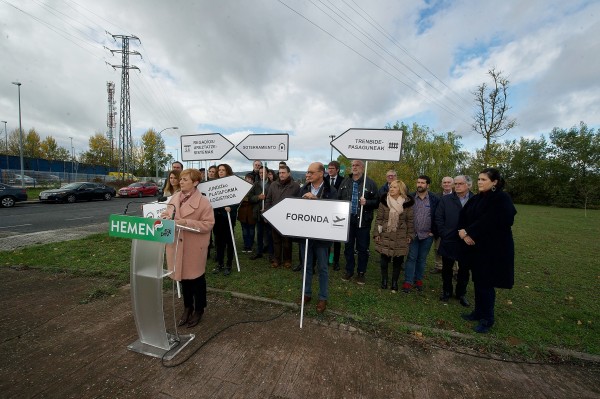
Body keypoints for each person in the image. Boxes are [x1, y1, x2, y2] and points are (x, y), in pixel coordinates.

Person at [458, 168, 516, 334]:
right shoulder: (477, 198)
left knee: (486, 283)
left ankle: (487, 318)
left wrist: (469, 231)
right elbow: (463, 215)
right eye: (478, 179)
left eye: (483, 179)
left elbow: (495, 220)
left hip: (494, 249)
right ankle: (477, 312)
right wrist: (463, 231)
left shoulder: (501, 198)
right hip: (476, 247)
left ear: (494, 182)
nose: (480, 182)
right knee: (478, 281)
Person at [161, 168, 215, 328]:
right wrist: (165, 217)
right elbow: (167, 213)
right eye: (181, 179)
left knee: (197, 280)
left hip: (193, 247)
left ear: (195, 183)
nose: (181, 182)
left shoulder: (204, 202)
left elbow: (208, 225)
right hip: (176, 245)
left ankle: (199, 309)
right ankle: (187, 307)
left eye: (185, 179)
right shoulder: (174, 197)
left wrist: (185, 222)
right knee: (183, 279)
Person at [297, 162, 337, 313]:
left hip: (322, 236)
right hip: (305, 235)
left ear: (321, 173)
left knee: (323, 268)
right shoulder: (303, 188)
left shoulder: (330, 191)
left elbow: (334, 210)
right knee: (306, 266)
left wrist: (316, 201)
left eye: (311, 172)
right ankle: (306, 294)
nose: (308, 175)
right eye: (307, 172)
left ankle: (322, 297)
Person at [337, 160, 379, 285]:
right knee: (348, 247)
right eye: (353, 165)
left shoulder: (370, 183)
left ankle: (361, 273)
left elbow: (377, 202)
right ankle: (349, 270)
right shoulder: (345, 182)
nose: (354, 167)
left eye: (357, 165)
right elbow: (339, 198)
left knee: (362, 248)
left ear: (363, 168)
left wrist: (367, 202)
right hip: (348, 220)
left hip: (363, 221)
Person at [435, 175, 474, 305]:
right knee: (447, 268)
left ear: (468, 185)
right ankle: (446, 291)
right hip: (449, 239)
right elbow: (438, 218)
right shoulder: (446, 200)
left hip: (467, 241)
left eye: (460, 183)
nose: (457, 186)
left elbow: (480, 220)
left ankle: (461, 294)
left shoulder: (475, 200)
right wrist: (444, 233)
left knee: (464, 269)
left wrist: (471, 234)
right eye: (455, 183)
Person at [372, 179, 414, 292]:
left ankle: (394, 282)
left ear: (400, 190)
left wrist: (410, 235)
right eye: (390, 187)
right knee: (384, 259)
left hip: (400, 236)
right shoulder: (384, 201)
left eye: (394, 187)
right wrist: (377, 233)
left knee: (398, 261)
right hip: (385, 233)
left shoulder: (407, 203)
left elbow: (410, 221)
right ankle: (384, 280)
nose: (391, 189)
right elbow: (379, 219)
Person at [402, 175, 439, 293]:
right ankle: (408, 281)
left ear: (428, 185)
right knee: (412, 257)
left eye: (422, 183)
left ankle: (418, 280)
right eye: (418, 182)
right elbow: (404, 214)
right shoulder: (410, 197)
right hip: (412, 234)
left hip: (427, 235)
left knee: (422, 259)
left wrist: (434, 231)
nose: (420, 185)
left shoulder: (434, 199)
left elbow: (438, 216)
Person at [265, 165, 300, 268]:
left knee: (287, 241)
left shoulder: (295, 186)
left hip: (288, 217)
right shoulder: (273, 185)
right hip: (275, 217)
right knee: (276, 240)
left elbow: (298, 203)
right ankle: (276, 259)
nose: (281, 174)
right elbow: (268, 199)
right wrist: (267, 213)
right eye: (280, 173)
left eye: (283, 172)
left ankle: (287, 260)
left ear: (289, 173)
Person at [211, 163, 238, 276]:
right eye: (219, 170)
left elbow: (237, 199)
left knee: (229, 242)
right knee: (219, 242)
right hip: (217, 217)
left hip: (228, 217)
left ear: (228, 171)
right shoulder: (214, 184)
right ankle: (220, 264)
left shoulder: (233, 183)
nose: (220, 172)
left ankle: (228, 265)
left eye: (223, 170)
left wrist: (231, 208)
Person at [431, 176, 455, 274]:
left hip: (452, 227)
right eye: (444, 182)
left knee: (452, 249)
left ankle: (455, 270)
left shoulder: (457, 195)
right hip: (438, 226)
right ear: (441, 184)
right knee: (437, 248)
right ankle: (439, 266)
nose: (446, 184)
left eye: (449, 182)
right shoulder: (436, 196)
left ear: (452, 184)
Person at [249, 166, 272, 260]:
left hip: (269, 214)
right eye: (260, 173)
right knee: (259, 233)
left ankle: (271, 253)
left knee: (270, 234)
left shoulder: (273, 184)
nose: (261, 174)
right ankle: (259, 252)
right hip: (258, 214)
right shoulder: (256, 184)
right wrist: (258, 197)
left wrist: (266, 202)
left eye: (263, 172)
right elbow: (250, 198)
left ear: (267, 173)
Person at [326, 161, 343, 271]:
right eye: (329, 168)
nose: (330, 170)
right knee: (327, 238)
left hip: (338, 213)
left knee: (336, 240)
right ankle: (328, 259)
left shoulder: (343, 180)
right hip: (326, 212)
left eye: (332, 168)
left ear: (337, 170)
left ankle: (335, 261)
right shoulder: (324, 179)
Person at [238, 173, 258, 253]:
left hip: (251, 213)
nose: (248, 180)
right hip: (243, 213)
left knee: (251, 230)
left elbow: (255, 199)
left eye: (250, 179)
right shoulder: (241, 188)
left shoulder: (255, 188)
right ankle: (246, 245)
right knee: (244, 230)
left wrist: (249, 199)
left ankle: (250, 246)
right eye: (247, 179)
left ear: (253, 181)